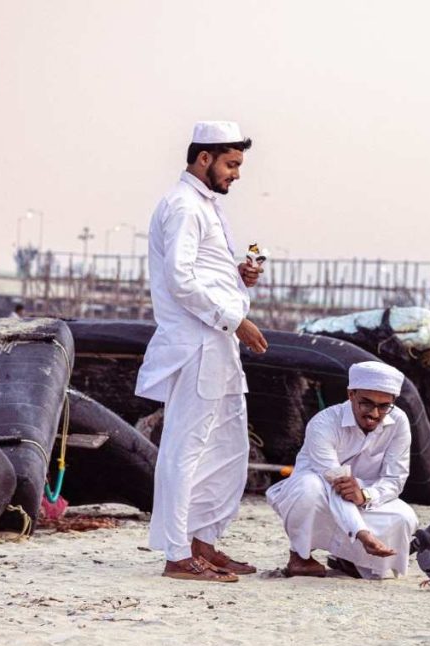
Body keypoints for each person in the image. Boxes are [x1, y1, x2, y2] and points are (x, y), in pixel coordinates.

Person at [135, 121, 268, 583]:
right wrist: (237, 321)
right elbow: (180, 280)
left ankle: (203, 541)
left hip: (217, 344)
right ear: (204, 158)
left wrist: (236, 274)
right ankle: (176, 554)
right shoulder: (183, 206)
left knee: (226, 447)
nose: (236, 174)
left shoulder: (204, 206)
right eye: (231, 164)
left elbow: (202, 271)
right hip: (197, 344)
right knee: (185, 449)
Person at [266, 361, 417, 580]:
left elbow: (395, 479)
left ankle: (350, 561)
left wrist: (366, 495)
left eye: (384, 406)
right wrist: (362, 533)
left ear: (393, 402)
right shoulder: (324, 423)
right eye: (366, 403)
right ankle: (300, 557)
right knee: (309, 488)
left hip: (363, 497)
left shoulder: (399, 421)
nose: (374, 414)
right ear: (351, 394)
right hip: (318, 490)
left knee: (404, 517)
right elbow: (334, 483)